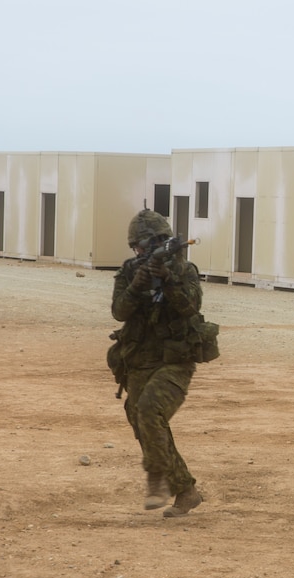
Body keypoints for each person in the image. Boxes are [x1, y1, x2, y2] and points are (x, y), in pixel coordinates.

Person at [109, 209, 210, 516]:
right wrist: (137, 285)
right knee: (143, 420)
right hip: (141, 359)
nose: (139, 252)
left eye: (142, 246)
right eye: (136, 248)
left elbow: (191, 306)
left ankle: (156, 479)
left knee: (151, 410)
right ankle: (185, 490)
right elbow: (119, 312)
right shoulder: (131, 271)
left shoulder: (183, 271)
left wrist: (168, 282)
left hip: (174, 360)